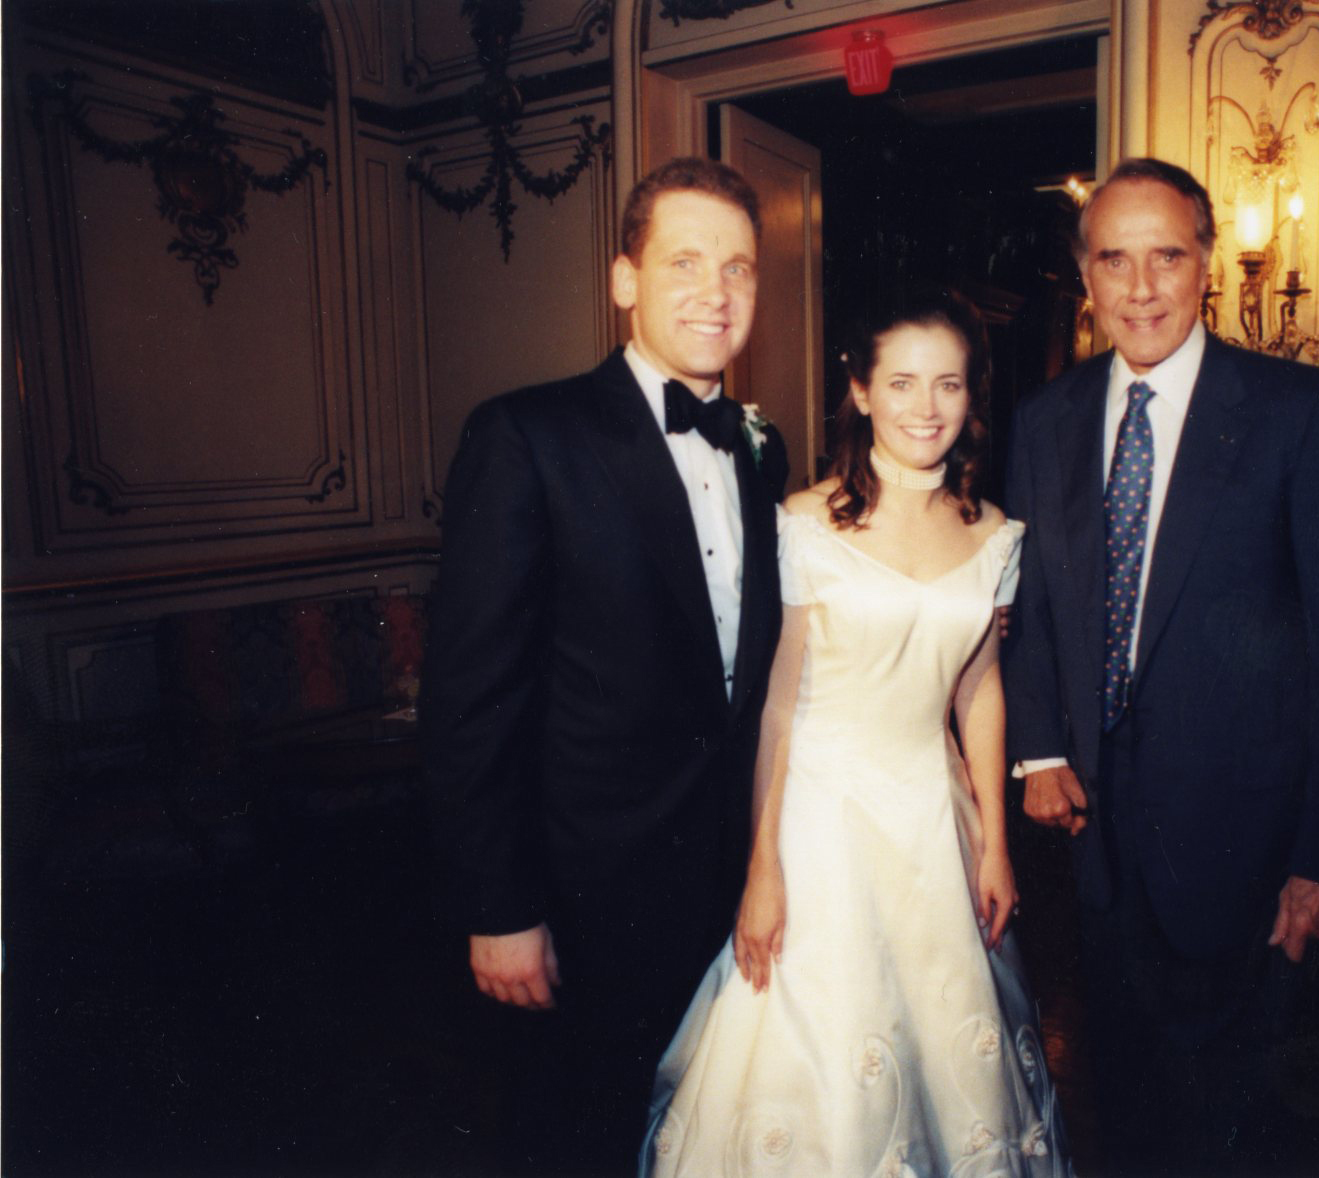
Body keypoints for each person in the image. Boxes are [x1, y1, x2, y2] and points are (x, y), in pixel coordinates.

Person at [1003, 158, 1319, 1174]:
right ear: (1084, 278)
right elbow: (1033, 604)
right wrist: (1039, 746)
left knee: (1238, 1124)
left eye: (1165, 256)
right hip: (1093, 840)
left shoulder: (1301, 410)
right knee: (1120, 1103)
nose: (1140, 288)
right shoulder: (1045, 419)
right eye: (1113, 261)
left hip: (1253, 848)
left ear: (1207, 263)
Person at [642, 290, 1072, 1176]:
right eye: (903, 382)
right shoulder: (805, 522)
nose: (927, 406)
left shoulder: (994, 534)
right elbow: (775, 706)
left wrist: (994, 842)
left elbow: (979, 688)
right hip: (819, 824)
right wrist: (763, 870)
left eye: (948, 384)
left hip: (930, 816)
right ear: (863, 392)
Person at [421, 157, 785, 1175]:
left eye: (740, 269)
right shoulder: (526, 436)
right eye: (683, 261)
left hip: (732, 895)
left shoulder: (764, 452)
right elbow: (468, 700)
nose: (715, 291)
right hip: (585, 903)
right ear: (622, 279)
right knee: (576, 1141)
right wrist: (497, 905)